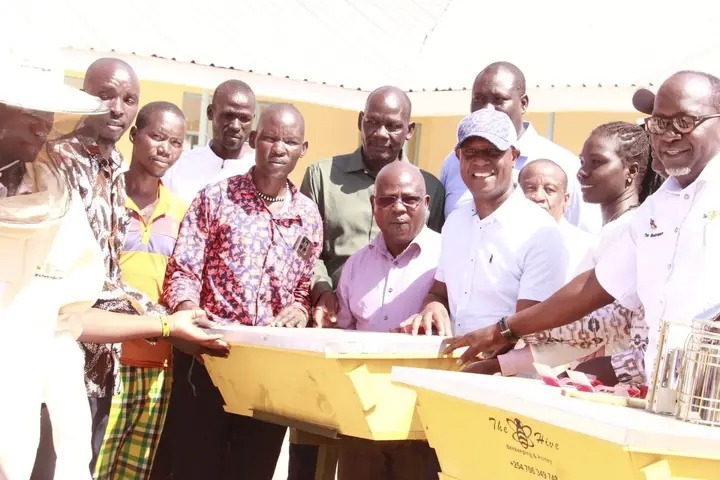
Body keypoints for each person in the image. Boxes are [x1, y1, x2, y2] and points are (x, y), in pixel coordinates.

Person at [0, 67, 224, 480]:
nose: (116, 109)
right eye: (105, 96)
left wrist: (168, 322)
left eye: (128, 98)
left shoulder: (103, 169)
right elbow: (54, 290)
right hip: (36, 354)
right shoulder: (53, 167)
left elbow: (95, 282)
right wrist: (163, 323)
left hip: (92, 358)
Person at [442, 71, 720, 389]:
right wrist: (505, 331)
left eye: (684, 122)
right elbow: (593, 289)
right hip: (672, 398)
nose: (668, 135)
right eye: (659, 123)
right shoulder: (655, 211)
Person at [163, 103, 323, 480]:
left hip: (268, 374)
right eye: (269, 137)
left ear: (304, 149)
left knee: (253, 469)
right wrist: (189, 311)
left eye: (290, 141)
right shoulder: (216, 198)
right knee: (195, 469)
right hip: (208, 361)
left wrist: (300, 310)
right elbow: (183, 269)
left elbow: (301, 287)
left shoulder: (308, 216)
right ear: (254, 141)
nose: (279, 148)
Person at [299, 86, 445, 476]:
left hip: (418, 406)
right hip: (337, 331)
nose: (381, 132)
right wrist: (322, 291)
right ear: (360, 122)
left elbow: (444, 285)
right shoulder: (321, 176)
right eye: (373, 122)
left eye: (393, 125)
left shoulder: (444, 245)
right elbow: (305, 251)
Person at [481, 122, 663, 382]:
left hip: (617, 383)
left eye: (596, 162)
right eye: (582, 162)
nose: (582, 173)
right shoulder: (610, 231)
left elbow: (594, 328)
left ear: (630, 171)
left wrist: (507, 336)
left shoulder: (628, 232)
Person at [398, 107, 568, 339]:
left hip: (507, 373)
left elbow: (531, 330)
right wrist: (433, 307)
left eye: (492, 151)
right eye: (470, 152)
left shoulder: (541, 232)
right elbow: (440, 292)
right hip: (452, 367)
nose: (480, 161)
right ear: (458, 156)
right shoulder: (455, 223)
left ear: (514, 156)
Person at [326, 161, 440, 479]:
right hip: (362, 424)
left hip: (422, 425)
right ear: (373, 205)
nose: (398, 208)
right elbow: (343, 336)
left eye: (409, 199)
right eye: (387, 199)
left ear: (426, 204)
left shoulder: (449, 261)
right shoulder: (355, 266)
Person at [94, 102, 189, 479]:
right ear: (134, 135)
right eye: (157, 136)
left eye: (176, 142)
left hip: (157, 366)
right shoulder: (106, 198)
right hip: (106, 361)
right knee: (93, 465)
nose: (164, 148)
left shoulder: (181, 211)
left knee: (135, 472)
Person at [439, 61, 601, 233]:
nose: (487, 109)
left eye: (499, 100)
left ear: (523, 103)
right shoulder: (455, 162)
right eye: (478, 99)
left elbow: (586, 239)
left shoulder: (564, 165)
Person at [163, 79, 256, 204]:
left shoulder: (260, 174)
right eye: (228, 116)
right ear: (210, 113)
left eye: (244, 118)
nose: (235, 126)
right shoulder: (177, 166)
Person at [518, 159, 591, 280]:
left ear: (566, 199)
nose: (538, 197)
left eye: (549, 190)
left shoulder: (586, 248)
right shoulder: (499, 240)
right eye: (530, 188)